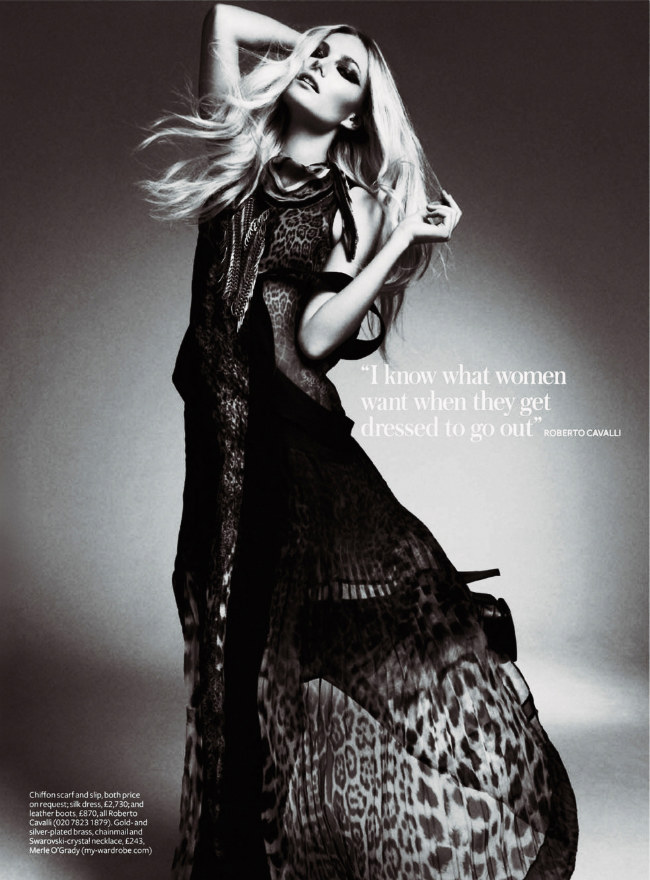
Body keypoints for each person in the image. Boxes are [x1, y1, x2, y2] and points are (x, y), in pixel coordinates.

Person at [142, 4, 578, 878]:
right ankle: (242, 854)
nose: (320, 70)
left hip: (285, 441)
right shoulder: (242, 152)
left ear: (359, 113)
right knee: (216, 632)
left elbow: (314, 340)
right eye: (318, 56)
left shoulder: (355, 203)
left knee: (251, 647)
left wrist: (400, 238)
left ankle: (243, 863)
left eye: (348, 74)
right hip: (217, 438)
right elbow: (222, 20)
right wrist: (313, 49)